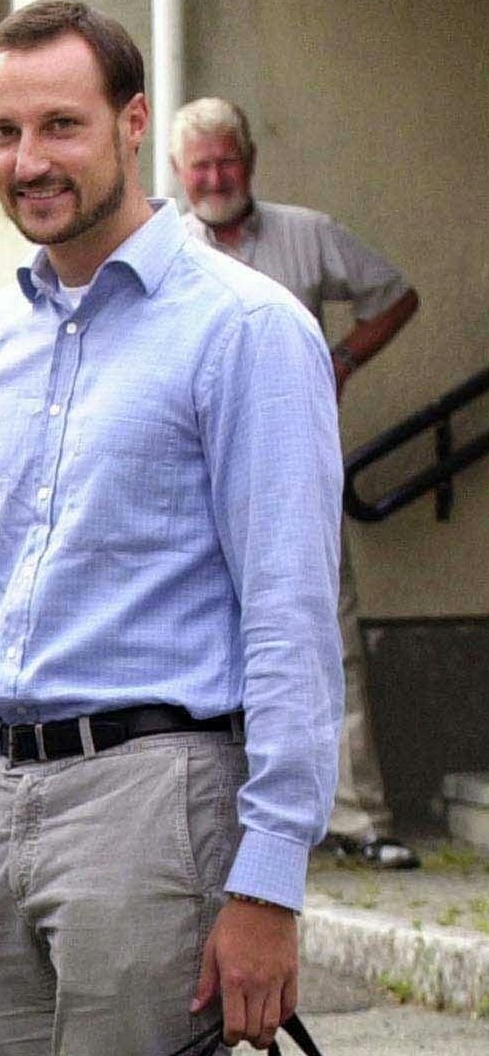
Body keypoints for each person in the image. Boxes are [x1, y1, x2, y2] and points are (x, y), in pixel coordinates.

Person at [0, 0, 344, 1056]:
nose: (27, 161)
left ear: (131, 123)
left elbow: (288, 615)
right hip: (1, 802)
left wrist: (267, 879)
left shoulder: (244, 330)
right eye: (1, 133)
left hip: (156, 802)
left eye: (59, 126)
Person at [172, 95, 422, 871]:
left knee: (324, 638)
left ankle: (357, 815)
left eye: (227, 160)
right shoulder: (166, 248)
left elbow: (395, 294)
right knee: (205, 646)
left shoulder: (304, 235)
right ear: (178, 175)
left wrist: (341, 360)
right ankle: (232, 824)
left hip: (295, 477)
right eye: (200, 165)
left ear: (248, 160)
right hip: (194, 489)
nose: (215, 176)